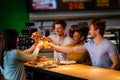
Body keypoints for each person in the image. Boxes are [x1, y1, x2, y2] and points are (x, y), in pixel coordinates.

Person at [48, 19, 120, 70]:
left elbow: (116, 64)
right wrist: (53, 46)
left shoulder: (109, 45)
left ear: (97, 31)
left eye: (91, 29)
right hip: (95, 74)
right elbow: (71, 49)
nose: (89, 31)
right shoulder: (90, 44)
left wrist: (107, 75)